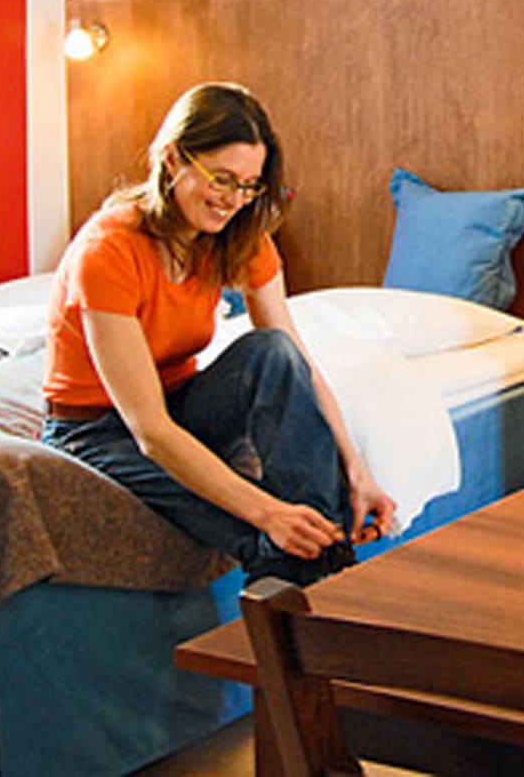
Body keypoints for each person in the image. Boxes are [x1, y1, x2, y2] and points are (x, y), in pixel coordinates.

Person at [42, 82, 395, 585]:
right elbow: (150, 431)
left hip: (183, 407)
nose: (235, 200)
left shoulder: (239, 236)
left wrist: (356, 469)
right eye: (222, 180)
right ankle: (318, 573)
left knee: (272, 351)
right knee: (262, 529)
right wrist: (269, 512)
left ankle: (316, 557)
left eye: (250, 185)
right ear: (172, 159)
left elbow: (295, 364)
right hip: (96, 431)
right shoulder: (108, 250)